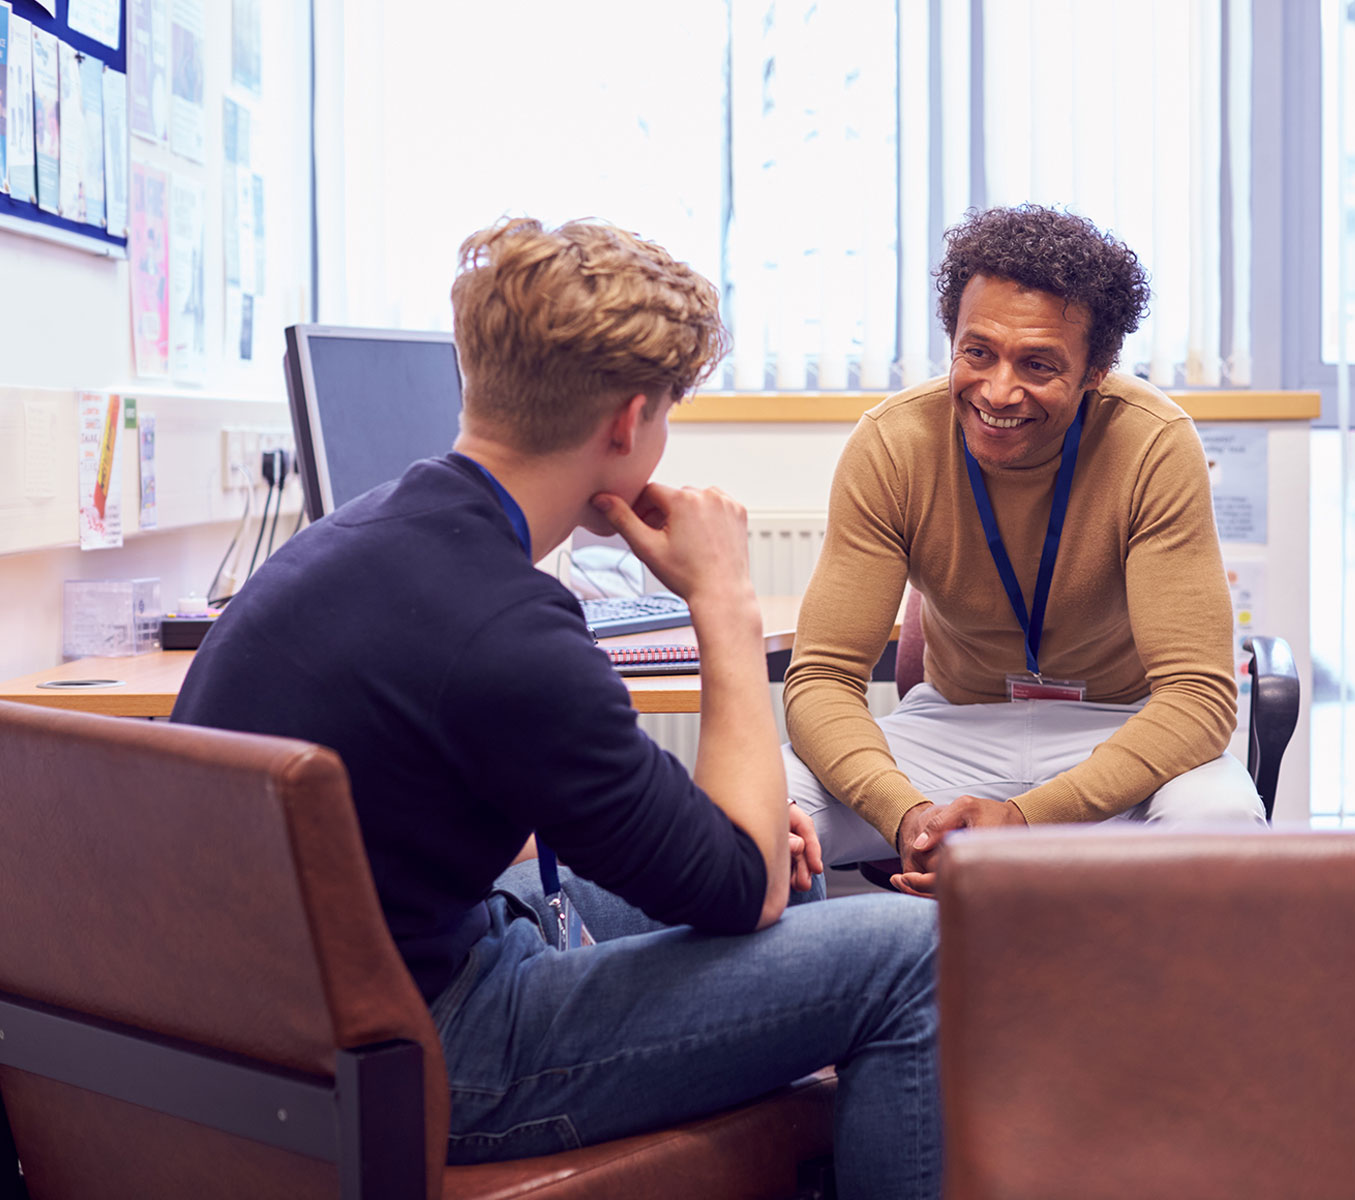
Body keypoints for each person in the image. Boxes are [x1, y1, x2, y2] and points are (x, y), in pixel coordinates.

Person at [173, 217, 939, 1198]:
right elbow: (739, 887)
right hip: (423, 1052)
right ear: (628, 425)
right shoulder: (508, 630)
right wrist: (726, 604)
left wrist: (738, 852)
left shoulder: (362, 534)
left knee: (799, 875)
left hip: (289, 1015)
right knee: (913, 953)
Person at [782, 204, 1264, 896]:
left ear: (1096, 370)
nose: (998, 391)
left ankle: (1156, 1008)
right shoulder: (893, 444)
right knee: (761, 808)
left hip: (1118, 730)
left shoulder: (1154, 444)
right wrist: (908, 816)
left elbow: (1197, 698)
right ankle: (834, 995)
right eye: (978, 352)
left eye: (1038, 364)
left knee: (1221, 824)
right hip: (953, 730)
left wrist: (1028, 819)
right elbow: (822, 679)